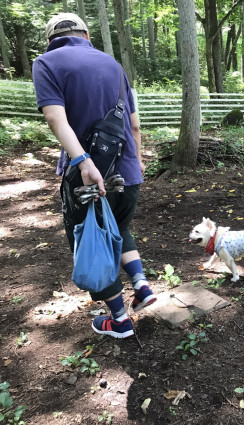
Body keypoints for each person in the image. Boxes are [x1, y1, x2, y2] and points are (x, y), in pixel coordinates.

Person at [32, 13, 156, 338]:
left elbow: (56, 120)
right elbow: (134, 125)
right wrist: (138, 161)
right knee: (120, 227)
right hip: (127, 172)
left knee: (91, 240)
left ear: (50, 39)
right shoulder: (113, 65)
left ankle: (120, 321)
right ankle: (142, 285)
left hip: (86, 181)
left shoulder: (46, 63)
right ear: (86, 34)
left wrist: (84, 161)